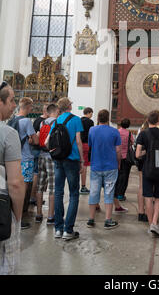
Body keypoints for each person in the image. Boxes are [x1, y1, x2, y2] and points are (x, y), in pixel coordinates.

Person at [48, 97, 84, 241]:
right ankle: (68, 230)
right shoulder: (76, 120)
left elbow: (47, 141)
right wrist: (82, 160)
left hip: (58, 160)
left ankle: (58, 229)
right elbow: (79, 141)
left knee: (58, 192)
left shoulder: (56, 121)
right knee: (74, 194)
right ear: (69, 106)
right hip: (72, 159)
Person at [136, 110, 159, 238]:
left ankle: (150, 224)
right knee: (158, 197)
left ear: (147, 120)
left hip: (147, 169)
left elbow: (137, 154)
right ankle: (154, 223)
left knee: (148, 197)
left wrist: (146, 153)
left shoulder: (143, 134)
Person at [0, 82, 25, 275]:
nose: (14, 105)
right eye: (11, 100)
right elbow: (15, 183)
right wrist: (17, 216)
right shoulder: (8, 134)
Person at [87, 109, 121, 229]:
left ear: (98, 118)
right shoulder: (115, 131)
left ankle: (91, 219)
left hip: (96, 165)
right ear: (108, 118)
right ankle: (108, 220)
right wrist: (119, 163)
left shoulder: (92, 130)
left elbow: (90, 145)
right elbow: (118, 151)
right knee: (109, 192)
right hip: (111, 166)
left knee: (94, 192)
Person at [11, 97, 39, 230]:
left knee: (15, 188)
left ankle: (12, 216)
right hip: (26, 159)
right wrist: (33, 138)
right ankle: (20, 218)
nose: (31, 109)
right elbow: (36, 140)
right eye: (31, 107)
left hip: (15, 159)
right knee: (24, 189)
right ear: (27, 107)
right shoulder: (26, 121)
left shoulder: (13, 119)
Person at [35, 103, 59, 225]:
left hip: (41, 155)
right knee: (53, 187)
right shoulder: (56, 122)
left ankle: (38, 214)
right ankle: (50, 216)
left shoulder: (42, 123)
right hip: (51, 157)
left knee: (40, 186)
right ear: (56, 111)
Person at [30, 103, 49, 206]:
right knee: (37, 175)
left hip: (33, 150)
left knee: (34, 173)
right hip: (39, 150)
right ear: (46, 111)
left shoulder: (37, 120)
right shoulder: (43, 122)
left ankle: (32, 197)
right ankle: (34, 197)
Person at [114, 118, 134, 205]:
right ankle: (121, 194)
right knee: (125, 176)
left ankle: (115, 192)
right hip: (126, 157)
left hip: (116, 156)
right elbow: (132, 142)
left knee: (117, 175)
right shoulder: (129, 133)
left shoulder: (116, 132)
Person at [136, 119, 148, 222]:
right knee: (149, 188)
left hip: (141, 163)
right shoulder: (152, 135)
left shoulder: (141, 134)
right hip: (149, 162)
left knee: (141, 186)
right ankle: (148, 212)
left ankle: (140, 212)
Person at [80, 107, 94, 195]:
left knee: (78, 164)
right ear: (89, 113)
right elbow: (91, 134)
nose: (92, 115)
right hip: (85, 144)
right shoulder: (90, 122)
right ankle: (83, 186)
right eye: (91, 113)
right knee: (84, 165)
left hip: (78, 144)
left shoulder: (78, 120)